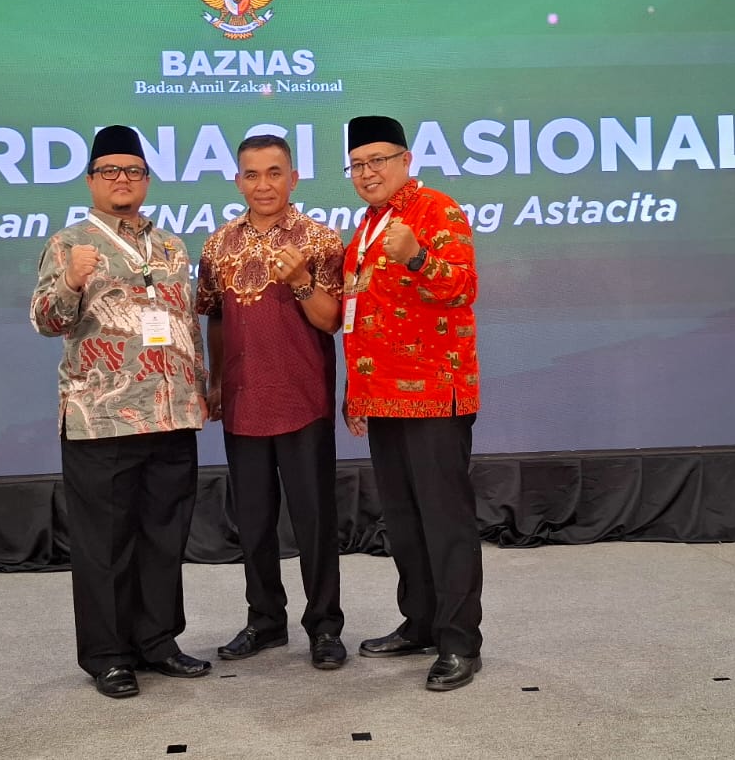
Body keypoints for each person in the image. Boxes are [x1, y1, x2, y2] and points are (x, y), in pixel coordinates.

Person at [29, 124, 211, 699]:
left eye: (132, 170)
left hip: (172, 412)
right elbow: (45, 320)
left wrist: (202, 388)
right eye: (110, 171)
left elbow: (186, 325)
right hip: (101, 418)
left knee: (164, 536)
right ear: (91, 181)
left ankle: (158, 641)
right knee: (104, 543)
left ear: (147, 180)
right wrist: (71, 282)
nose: (122, 179)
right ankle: (109, 656)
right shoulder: (69, 243)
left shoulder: (172, 247)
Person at [340, 115, 484, 692]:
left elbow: (464, 287)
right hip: (383, 397)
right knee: (403, 522)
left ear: (406, 160)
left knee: (446, 523)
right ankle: (420, 622)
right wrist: (356, 391)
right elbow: (361, 313)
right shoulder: (368, 224)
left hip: (433, 395)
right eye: (357, 164)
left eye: (378, 160)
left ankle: (459, 642)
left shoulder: (437, 210)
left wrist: (419, 257)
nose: (367, 172)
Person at [195, 134, 348, 672]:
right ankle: (264, 620)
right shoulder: (217, 245)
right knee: (254, 523)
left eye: (275, 172)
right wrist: (216, 382)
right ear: (238, 181)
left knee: (314, 521)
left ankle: (324, 626)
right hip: (243, 401)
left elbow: (332, 321)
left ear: (294, 178)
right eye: (253, 174)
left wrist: (302, 280)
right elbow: (215, 317)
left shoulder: (321, 240)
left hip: (304, 400)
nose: (264, 184)